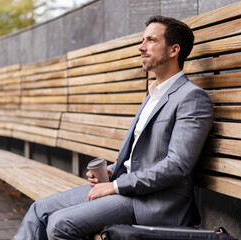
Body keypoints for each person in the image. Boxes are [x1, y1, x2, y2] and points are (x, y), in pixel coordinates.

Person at [13, 15, 213, 240]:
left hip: (153, 202)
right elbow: (142, 156)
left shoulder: (191, 97)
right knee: (39, 210)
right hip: (128, 188)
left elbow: (177, 166)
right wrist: (112, 170)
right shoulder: (153, 94)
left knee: (60, 224)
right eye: (142, 40)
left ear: (173, 50)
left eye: (151, 40)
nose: (141, 47)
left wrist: (117, 185)